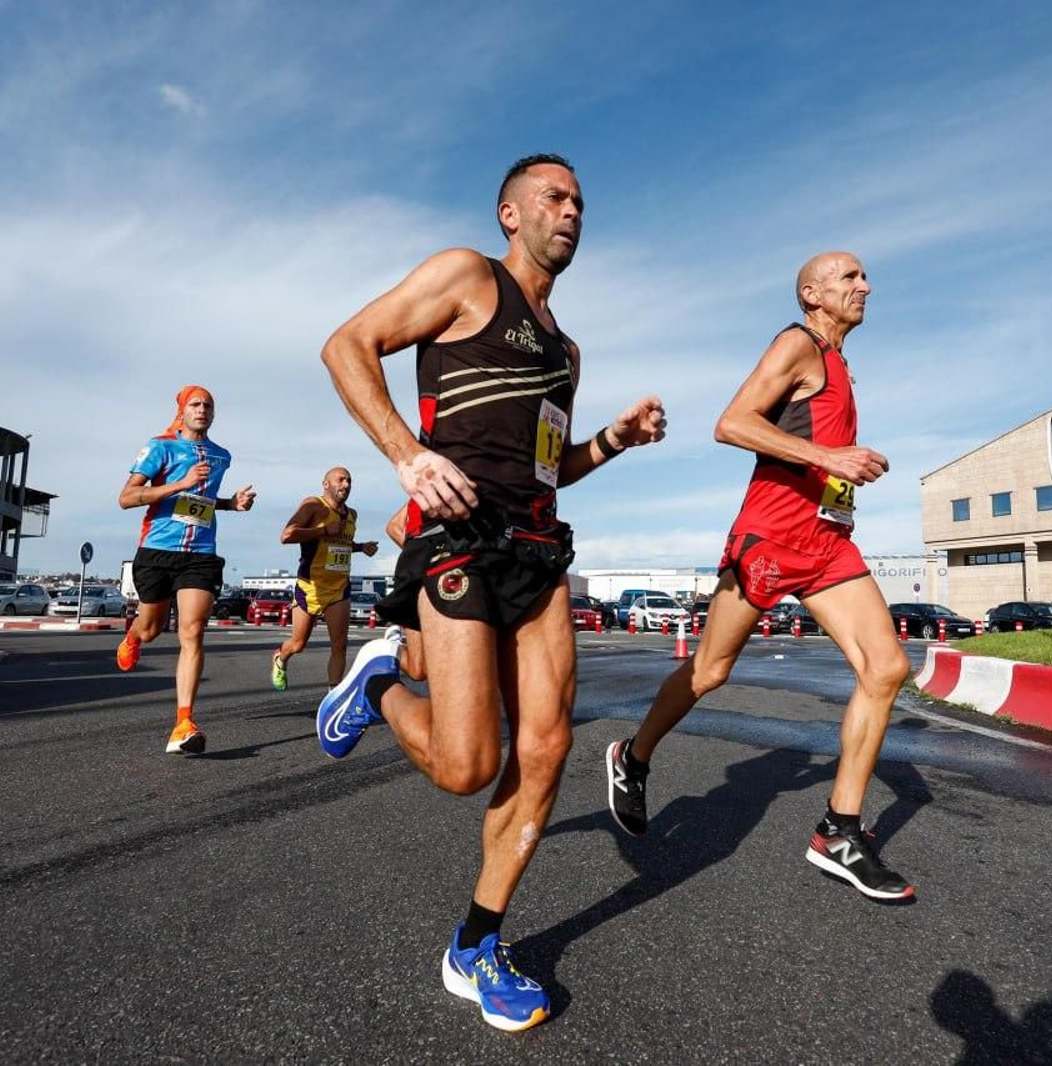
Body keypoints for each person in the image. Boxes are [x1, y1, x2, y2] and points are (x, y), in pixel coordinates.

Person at [315, 153, 665, 1032]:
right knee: (468, 766)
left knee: (544, 752)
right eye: (555, 197)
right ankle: (382, 681)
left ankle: (476, 945)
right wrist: (408, 454)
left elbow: (553, 467)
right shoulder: (467, 277)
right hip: (459, 537)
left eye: (581, 200)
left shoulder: (566, 349)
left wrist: (613, 440)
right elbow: (346, 345)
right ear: (510, 213)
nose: (572, 210)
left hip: (540, 552)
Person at [604, 252, 916, 902]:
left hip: (827, 544)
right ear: (812, 293)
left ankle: (841, 830)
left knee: (885, 669)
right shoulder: (796, 344)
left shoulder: (840, 364)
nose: (866, 286)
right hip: (769, 539)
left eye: (865, 276)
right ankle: (633, 757)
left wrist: (840, 469)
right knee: (710, 671)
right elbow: (732, 422)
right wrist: (828, 455)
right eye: (850, 277)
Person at [115, 385, 256, 755]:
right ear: (182, 409)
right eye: (195, 404)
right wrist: (180, 482)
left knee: (192, 631)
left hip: (201, 554)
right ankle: (133, 636)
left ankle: (183, 722)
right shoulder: (161, 446)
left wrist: (231, 504)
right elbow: (127, 498)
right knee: (152, 627)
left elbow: (202, 502)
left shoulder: (221, 456)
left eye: (209, 405)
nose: (203, 409)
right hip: (158, 550)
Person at [270, 468, 379, 690]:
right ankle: (281, 658)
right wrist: (323, 530)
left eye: (349, 480)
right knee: (298, 644)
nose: (346, 484)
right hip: (310, 586)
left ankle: (334, 697)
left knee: (340, 644)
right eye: (340, 479)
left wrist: (360, 547)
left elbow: (339, 544)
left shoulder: (352, 515)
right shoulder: (313, 505)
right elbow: (287, 535)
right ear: (326, 483)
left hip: (338, 588)